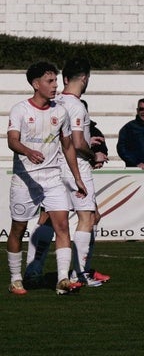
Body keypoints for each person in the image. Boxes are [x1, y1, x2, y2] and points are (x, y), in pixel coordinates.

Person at [24, 59, 110, 288]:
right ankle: (79, 274)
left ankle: (33, 269)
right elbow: (78, 142)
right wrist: (94, 155)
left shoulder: (55, 101)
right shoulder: (77, 105)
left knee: (49, 218)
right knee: (87, 218)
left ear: (64, 79)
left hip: (53, 166)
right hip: (76, 167)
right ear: (85, 79)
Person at [6, 61, 87, 295]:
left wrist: (77, 178)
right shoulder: (20, 110)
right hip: (25, 179)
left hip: (52, 178)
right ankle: (15, 279)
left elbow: (69, 146)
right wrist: (27, 151)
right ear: (35, 84)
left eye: (55, 80)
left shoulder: (60, 111)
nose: (54, 86)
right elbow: (12, 140)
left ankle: (62, 279)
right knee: (18, 230)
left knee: (62, 225)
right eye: (49, 81)